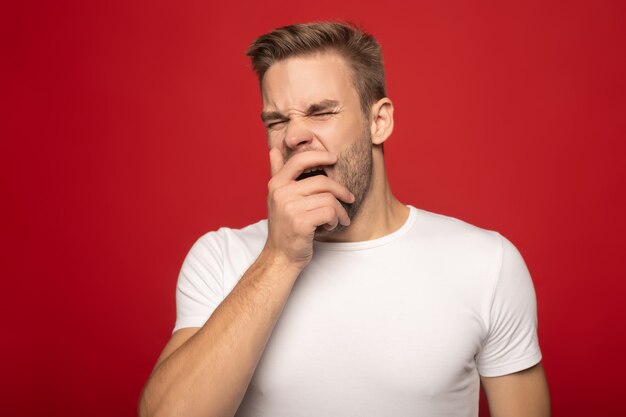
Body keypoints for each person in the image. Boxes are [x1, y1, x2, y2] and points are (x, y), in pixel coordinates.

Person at [139, 21, 551, 417]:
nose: (293, 136)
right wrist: (279, 258)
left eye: (321, 112)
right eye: (277, 121)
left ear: (379, 121)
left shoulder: (486, 263)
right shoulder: (221, 258)